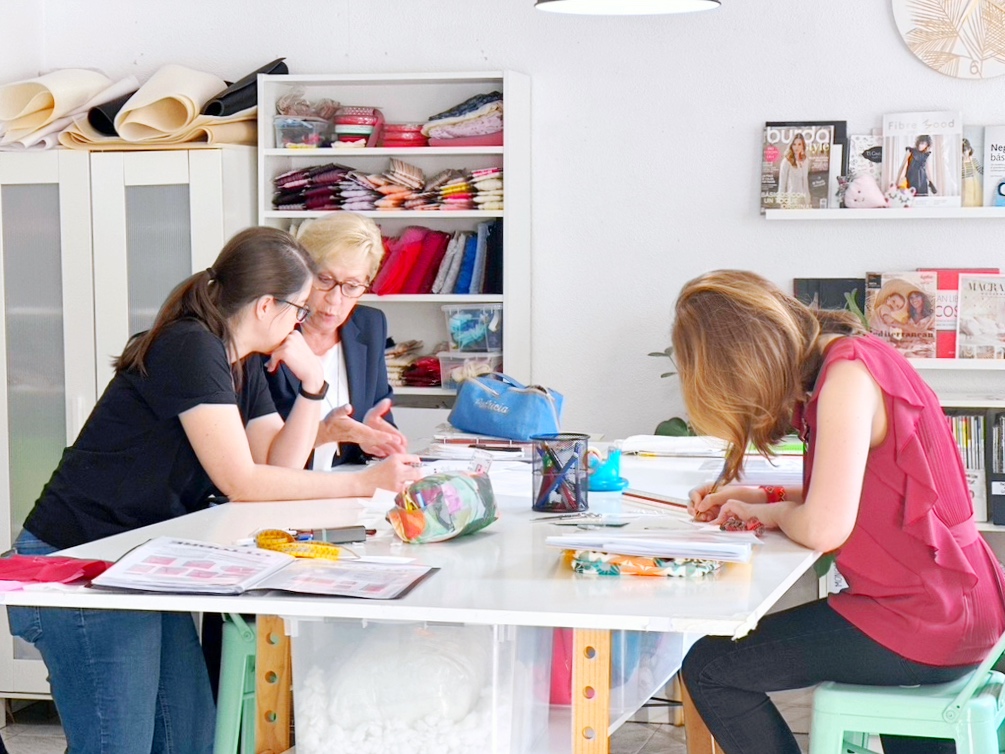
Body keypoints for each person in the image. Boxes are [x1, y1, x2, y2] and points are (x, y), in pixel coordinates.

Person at [6, 227, 421, 754]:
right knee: (120, 744)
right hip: (77, 557)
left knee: (189, 737)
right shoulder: (191, 346)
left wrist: (313, 386)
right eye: (298, 308)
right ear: (267, 306)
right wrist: (363, 482)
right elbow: (241, 482)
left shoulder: (240, 361)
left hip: (135, 563)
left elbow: (276, 465)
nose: (302, 321)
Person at [674, 270, 1005, 754]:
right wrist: (758, 498)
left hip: (925, 617)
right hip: (957, 603)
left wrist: (775, 514)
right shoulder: (856, 355)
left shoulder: (846, 380)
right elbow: (863, 487)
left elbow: (824, 527)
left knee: (710, 668)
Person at [265, 213, 407, 469]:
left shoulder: (370, 325)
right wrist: (324, 434)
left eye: (352, 286)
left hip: (345, 484)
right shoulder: (270, 331)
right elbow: (255, 450)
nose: (335, 299)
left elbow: (377, 418)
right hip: (283, 485)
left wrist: (376, 439)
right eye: (325, 279)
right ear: (302, 271)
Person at [777, 132, 810, 208]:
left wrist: (807, 200)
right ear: (791, 145)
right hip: (791, 200)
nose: (796, 147)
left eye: (799, 144)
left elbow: (805, 181)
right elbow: (782, 183)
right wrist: (782, 202)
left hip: (803, 201)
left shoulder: (805, 161)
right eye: (794, 144)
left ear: (803, 145)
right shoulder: (786, 161)